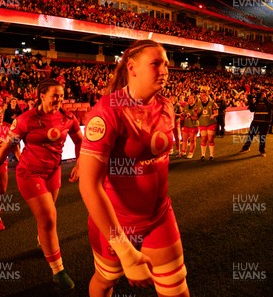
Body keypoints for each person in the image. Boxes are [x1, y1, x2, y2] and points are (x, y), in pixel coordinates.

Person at [79, 40, 190, 297]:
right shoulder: (107, 110)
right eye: (156, 63)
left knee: (178, 291)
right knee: (105, 282)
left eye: (165, 64)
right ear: (132, 67)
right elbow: (89, 184)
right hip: (116, 223)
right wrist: (126, 253)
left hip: (159, 217)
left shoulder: (166, 105)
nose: (164, 70)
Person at [0, 79, 82, 291]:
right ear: (41, 96)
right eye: (55, 95)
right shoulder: (26, 120)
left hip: (54, 173)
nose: (59, 99)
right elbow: (6, 149)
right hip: (30, 174)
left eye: (62, 95)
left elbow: (80, 140)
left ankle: (43, 241)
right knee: (50, 218)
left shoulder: (68, 117)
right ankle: (58, 270)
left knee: (47, 217)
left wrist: (79, 164)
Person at [239, 88, 273, 157]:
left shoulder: (271, 100)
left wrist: (265, 98)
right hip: (256, 121)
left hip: (265, 122)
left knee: (262, 136)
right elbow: (252, 110)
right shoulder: (257, 101)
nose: (262, 94)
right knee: (250, 134)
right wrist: (250, 101)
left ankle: (262, 150)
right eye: (261, 93)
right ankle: (246, 147)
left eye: (264, 93)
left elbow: (271, 107)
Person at [197, 88, 218, 161]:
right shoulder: (199, 103)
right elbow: (197, 112)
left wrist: (213, 115)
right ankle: (202, 155)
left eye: (203, 96)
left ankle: (211, 155)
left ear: (207, 95)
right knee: (203, 139)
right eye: (201, 96)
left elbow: (216, 113)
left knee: (210, 139)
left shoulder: (212, 103)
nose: (202, 97)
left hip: (211, 123)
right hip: (202, 123)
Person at [181, 95, 200, 159]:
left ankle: (191, 152)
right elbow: (184, 114)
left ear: (194, 99)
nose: (189, 100)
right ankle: (183, 151)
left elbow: (197, 117)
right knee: (184, 139)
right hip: (186, 125)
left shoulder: (197, 107)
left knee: (192, 140)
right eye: (188, 98)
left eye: (191, 98)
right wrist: (183, 115)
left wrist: (190, 117)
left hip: (193, 126)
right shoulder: (186, 106)